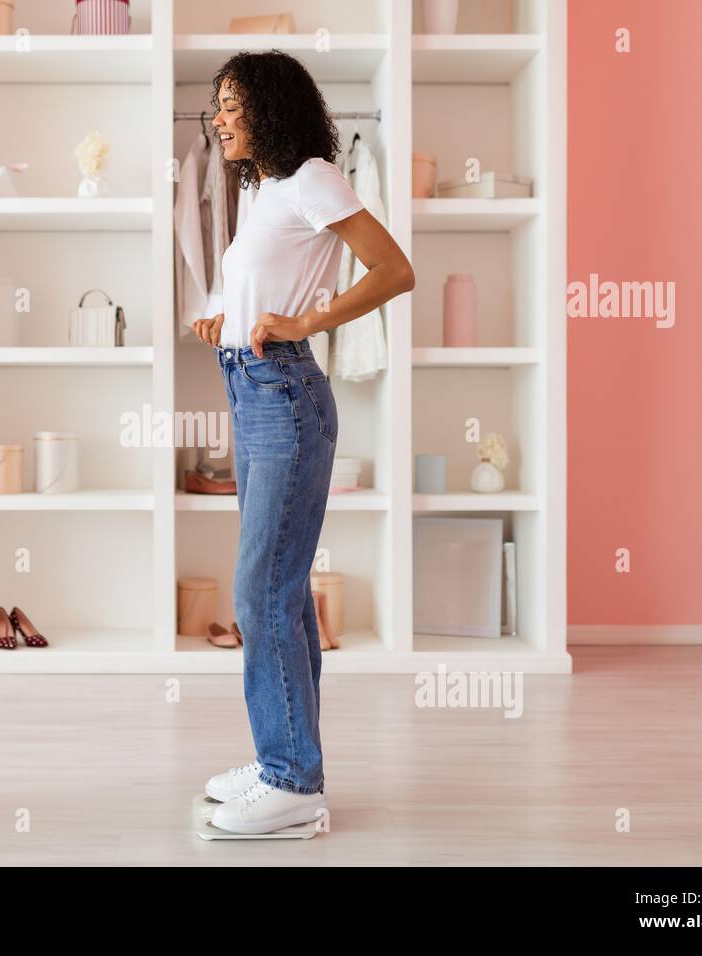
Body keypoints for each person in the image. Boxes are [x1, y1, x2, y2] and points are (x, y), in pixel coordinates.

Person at [193, 51, 416, 834]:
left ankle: (293, 785)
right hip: (251, 388)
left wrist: (309, 321)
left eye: (231, 103)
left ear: (269, 106)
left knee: (262, 593)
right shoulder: (265, 189)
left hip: (284, 392)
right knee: (272, 592)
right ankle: (281, 761)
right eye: (216, 104)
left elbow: (394, 270)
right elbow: (267, 278)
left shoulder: (317, 175)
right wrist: (229, 314)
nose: (218, 117)